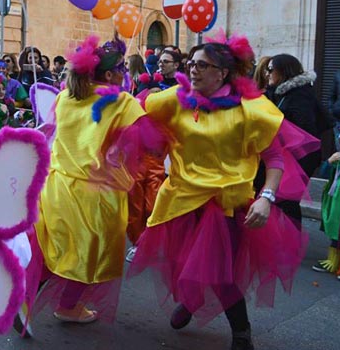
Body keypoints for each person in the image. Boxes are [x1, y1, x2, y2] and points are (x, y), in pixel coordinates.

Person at [128, 34, 316, 350]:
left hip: (226, 204)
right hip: (182, 201)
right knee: (185, 261)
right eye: (191, 64)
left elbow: (273, 158)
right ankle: (192, 300)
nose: (193, 70)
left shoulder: (250, 109)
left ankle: (241, 331)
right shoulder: (176, 99)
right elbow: (137, 111)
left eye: (202, 65)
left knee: (221, 271)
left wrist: (267, 198)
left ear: (222, 72)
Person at [34, 35, 148, 324]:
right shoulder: (122, 101)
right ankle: (68, 306)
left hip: (56, 187)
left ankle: (28, 294)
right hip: (94, 194)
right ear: (109, 74)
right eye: (121, 68)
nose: (124, 74)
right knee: (89, 255)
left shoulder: (64, 96)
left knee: (55, 246)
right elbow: (148, 139)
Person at [312, 126, 340, 280]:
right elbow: (323, 174)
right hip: (338, 203)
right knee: (336, 231)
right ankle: (332, 261)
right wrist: (329, 162)